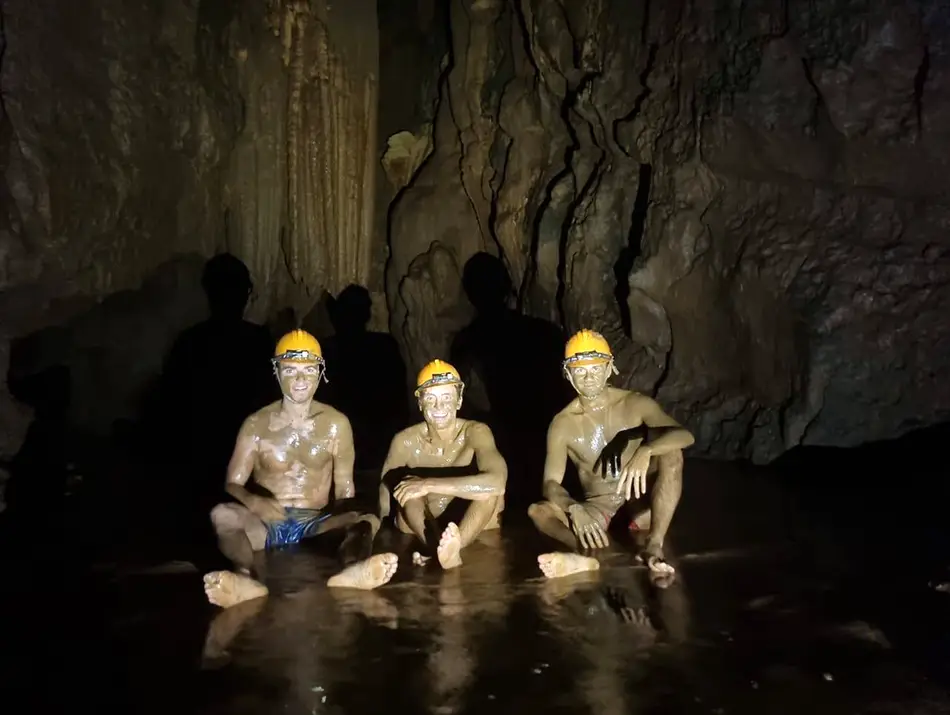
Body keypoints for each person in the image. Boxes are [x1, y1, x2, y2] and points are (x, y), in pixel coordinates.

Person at [202, 330, 398, 609]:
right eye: (291, 370)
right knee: (222, 514)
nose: (300, 379)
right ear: (277, 371)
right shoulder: (256, 424)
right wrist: (254, 501)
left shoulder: (336, 424)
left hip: (314, 524)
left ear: (320, 372)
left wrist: (347, 519)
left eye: (308, 370)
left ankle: (352, 569)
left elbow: (345, 490)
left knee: (367, 518)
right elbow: (232, 483)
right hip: (267, 524)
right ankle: (244, 577)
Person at [527, 329, 694, 581]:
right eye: (580, 371)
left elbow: (685, 436)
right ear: (568, 374)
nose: (589, 378)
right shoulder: (562, 424)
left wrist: (647, 450)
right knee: (538, 511)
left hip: (640, 501)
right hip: (599, 506)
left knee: (671, 453)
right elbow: (550, 483)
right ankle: (583, 555)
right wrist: (574, 508)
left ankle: (654, 544)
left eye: (596, 368)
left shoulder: (635, 404)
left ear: (609, 368)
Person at [380, 359, 507, 570]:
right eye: (431, 398)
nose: (439, 406)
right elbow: (384, 504)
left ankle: (450, 549)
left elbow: (497, 483)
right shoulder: (404, 441)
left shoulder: (476, 432)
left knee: (488, 491)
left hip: (474, 528)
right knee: (408, 488)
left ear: (459, 401)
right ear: (420, 403)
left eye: (447, 398)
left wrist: (427, 484)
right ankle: (438, 549)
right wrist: (381, 541)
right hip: (421, 528)